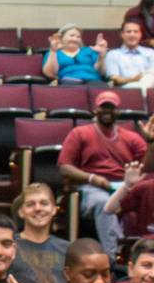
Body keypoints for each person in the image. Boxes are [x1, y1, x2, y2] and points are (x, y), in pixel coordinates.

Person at [60, 96, 148, 247]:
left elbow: (149, 166)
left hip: (123, 185)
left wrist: (151, 141)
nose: (107, 111)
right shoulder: (79, 133)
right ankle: (116, 254)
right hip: (91, 186)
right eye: (103, 107)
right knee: (104, 202)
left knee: (150, 197)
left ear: (118, 112)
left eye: (111, 108)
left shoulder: (131, 137)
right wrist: (93, 178)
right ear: (95, 110)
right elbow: (64, 167)